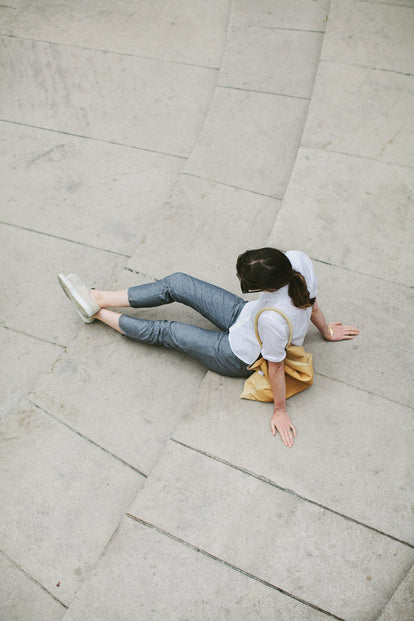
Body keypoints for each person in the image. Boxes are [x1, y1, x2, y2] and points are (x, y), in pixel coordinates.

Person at [57, 248, 359, 448]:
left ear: (265, 288)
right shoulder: (297, 261)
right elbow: (313, 301)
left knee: (167, 331)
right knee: (178, 283)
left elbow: (276, 366)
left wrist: (280, 410)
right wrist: (327, 331)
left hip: (234, 354)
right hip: (243, 315)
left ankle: (95, 312)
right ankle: (99, 297)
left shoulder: (274, 321)